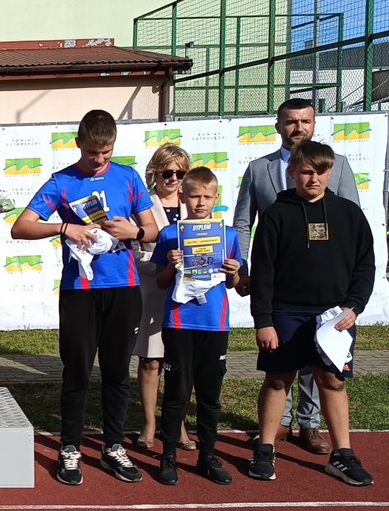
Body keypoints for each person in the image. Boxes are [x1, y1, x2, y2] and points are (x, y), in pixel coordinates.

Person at [10, 109, 158, 486]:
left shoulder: (128, 177)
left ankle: (113, 446)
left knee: (116, 373)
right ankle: (70, 447)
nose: (99, 159)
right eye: (93, 152)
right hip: (80, 291)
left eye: (106, 152)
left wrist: (133, 232)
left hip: (123, 289)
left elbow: (153, 230)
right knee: (76, 372)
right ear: (78, 144)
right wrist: (65, 228)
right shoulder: (62, 182)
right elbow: (20, 227)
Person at [233, 98, 360, 455]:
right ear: (278, 126)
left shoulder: (339, 164)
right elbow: (243, 221)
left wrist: (350, 288)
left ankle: (309, 422)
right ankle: (278, 424)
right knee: (282, 359)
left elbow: (350, 223)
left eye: (305, 121)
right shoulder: (259, 169)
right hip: (280, 282)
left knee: (322, 360)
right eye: (291, 121)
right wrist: (242, 267)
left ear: (314, 125)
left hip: (324, 287)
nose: (298, 128)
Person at [247, 141, 375, 487]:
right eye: (306, 171)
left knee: (331, 380)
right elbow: (262, 272)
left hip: (335, 317)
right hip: (285, 313)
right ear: (292, 172)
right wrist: (264, 321)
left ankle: (343, 454)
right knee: (278, 379)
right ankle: (265, 450)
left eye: (321, 171)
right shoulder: (276, 213)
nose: (313, 178)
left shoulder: (349, 213)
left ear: (330, 172)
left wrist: (354, 306)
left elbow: (365, 266)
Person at [150, 167, 242, 486]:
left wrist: (233, 272)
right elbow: (161, 281)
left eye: (207, 196)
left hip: (214, 324)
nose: (200, 202)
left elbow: (233, 283)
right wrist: (171, 264)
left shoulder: (228, 235)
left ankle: (208, 456)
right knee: (176, 393)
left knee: (209, 395)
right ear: (182, 196)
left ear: (216, 198)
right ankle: (168, 456)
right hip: (179, 322)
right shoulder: (169, 234)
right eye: (194, 196)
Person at [132, 144, 194, 451]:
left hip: (189, 295)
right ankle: (149, 424)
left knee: (181, 362)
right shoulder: (141, 205)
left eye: (180, 174)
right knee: (151, 360)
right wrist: (163, 263)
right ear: (154, 172)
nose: (173, 179)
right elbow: (134, 253)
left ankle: (177, 423)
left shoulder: (194, 204)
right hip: (153, 290)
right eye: (167, 172)